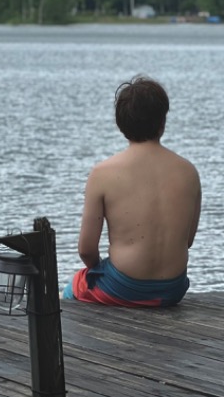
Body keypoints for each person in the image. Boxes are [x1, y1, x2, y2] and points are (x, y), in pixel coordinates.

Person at [62, 75, 201, 307]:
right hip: (173, 289)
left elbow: (86, 250)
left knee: (72, 288)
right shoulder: (189, 172)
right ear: (162, 121)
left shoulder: (102, 173)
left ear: (121, 123)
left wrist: (99, 268)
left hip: (122, 288)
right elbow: (187, 240)